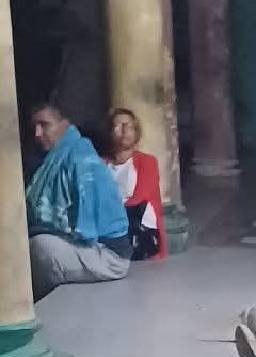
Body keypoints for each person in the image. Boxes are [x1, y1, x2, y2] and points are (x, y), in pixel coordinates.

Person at [25, 103, 130, 301]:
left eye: (44, 125)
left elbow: (85, 232)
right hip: (82, 244)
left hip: (108, 255)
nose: (37, 133)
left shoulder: (81, 158)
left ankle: (33, 307)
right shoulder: (51, 159)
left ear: (64, 125)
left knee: (40, 248)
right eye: (35, 127)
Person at [106, 108, 166, 261]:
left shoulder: (147, 161)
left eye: (129, 126)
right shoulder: (103, 165)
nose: (124, 130)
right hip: (111, 225)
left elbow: (141, 197)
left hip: (139, 229)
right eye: (118, 126)